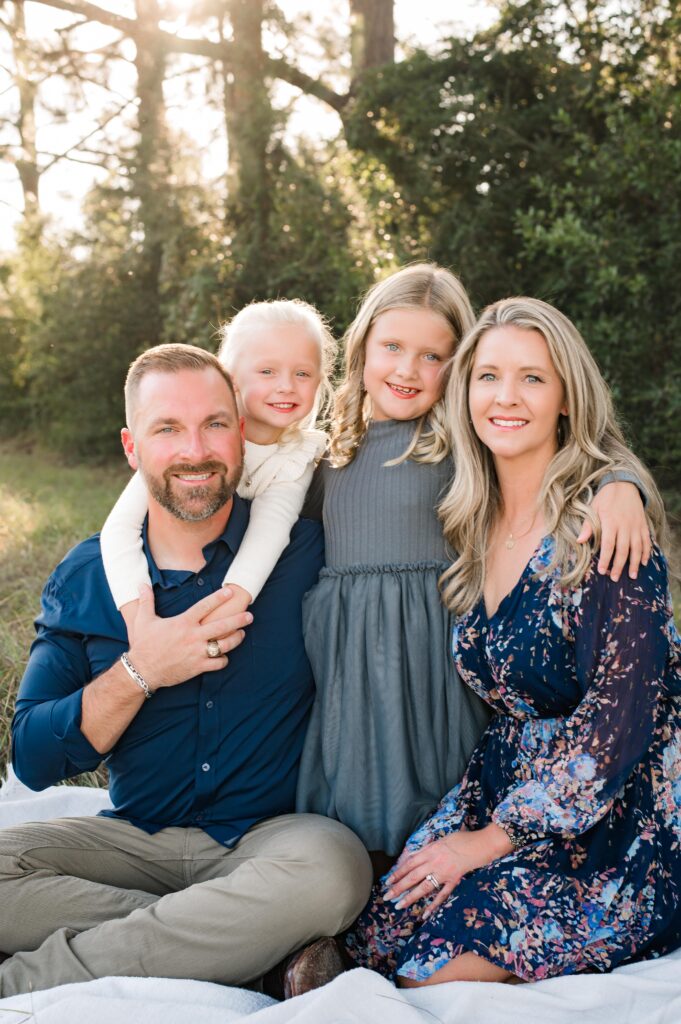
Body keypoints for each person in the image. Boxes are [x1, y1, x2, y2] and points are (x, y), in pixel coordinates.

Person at [0, 343, 371, 999]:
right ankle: (255, 951)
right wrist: (141, 671)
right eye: (167, 428)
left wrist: (613, 481)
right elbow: (32, 758)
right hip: (132, 846)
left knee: (333, 873)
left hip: (273, 841)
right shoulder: (88, 575)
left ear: (242, 432)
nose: (194, 449)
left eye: (214, 424)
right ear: (131, 446)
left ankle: (29, 978)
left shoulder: (310, 546)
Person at [344, 296, 681, 985]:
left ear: (565, 398)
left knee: (435, 963)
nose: (505, 397)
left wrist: (485, 843)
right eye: (487, 376)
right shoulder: (469, 516)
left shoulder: (606, 529)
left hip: (620, 812)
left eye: (532, 378)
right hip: (505, 787)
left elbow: (620, 723)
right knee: (375, 932)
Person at [295, 264, 651, 869]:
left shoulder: (457, 446)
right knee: (346, 823)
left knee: (429, 808)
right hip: (349, 670)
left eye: (432, 356)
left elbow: (570, 445)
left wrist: (622, 482)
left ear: (458, 370)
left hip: (434, 669)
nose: (407, 370)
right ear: (362, 347)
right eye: (392, 347)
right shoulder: (326, 451)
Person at [100, 299, 333, 628]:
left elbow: (271, 529)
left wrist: (226, 611)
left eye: (303, 373)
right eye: (267, 371)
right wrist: (139, 620)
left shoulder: (298, 453)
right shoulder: (194, 446)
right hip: (168, 576)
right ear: (231, 380)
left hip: (238, 587)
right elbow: (120, 528)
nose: (286, 386)